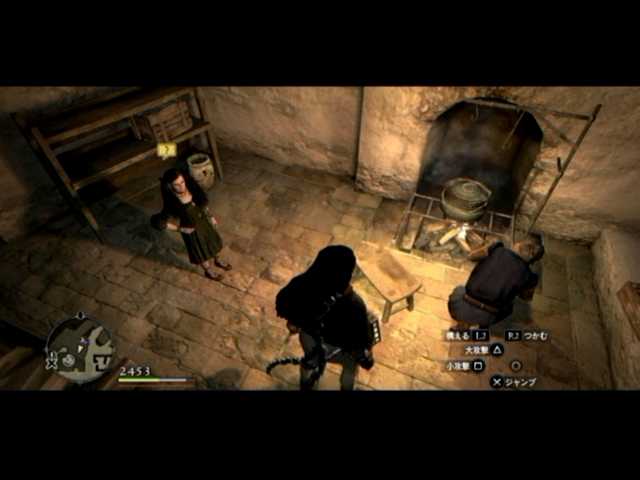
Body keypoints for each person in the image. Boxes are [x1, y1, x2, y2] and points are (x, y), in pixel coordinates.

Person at [275, 245, 376, 391]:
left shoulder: (301, 284)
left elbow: (290, 318)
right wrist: (367, 353)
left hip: (310, 340)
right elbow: (359, 340)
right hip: (338, 349)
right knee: (350, 367)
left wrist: (295, 322)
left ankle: (305, 385)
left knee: (310, 362)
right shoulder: (355, 304)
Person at [150, 168, 231, 281]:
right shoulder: (171, 202)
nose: (181, 186)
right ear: (170, 186)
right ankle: (209, 271)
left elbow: (202, 204)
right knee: (200, 252)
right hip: (192, 231)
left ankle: (218, 260)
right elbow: (159, 222)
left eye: (182, 182)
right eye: (177, 184)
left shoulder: (193, 188)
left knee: (212, 243)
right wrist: (180, 229)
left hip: (204, 223)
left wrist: (211, 216)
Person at [448, 235, 544, 329]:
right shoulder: (530, 276)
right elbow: (526, 298)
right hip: (489, 316)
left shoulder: (496, 249)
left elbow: (471, 257)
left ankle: (467, 321)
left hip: (458, 308)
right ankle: (480, 324)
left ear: (518, 245)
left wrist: (486, 248)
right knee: (510, 307)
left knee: (460, 289)